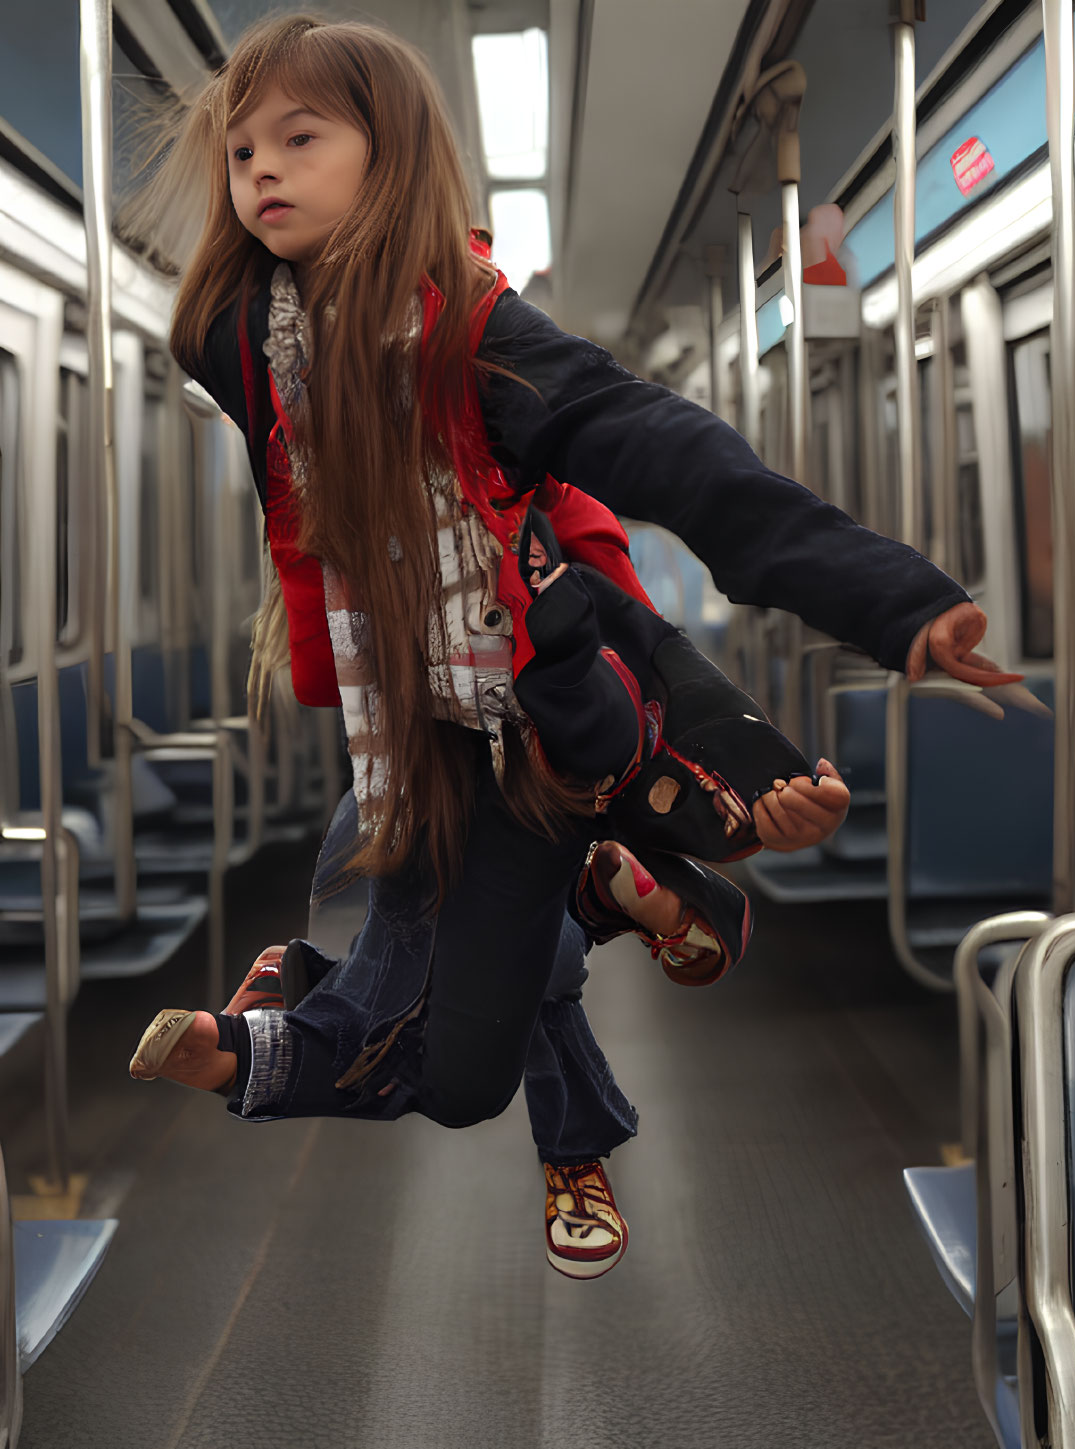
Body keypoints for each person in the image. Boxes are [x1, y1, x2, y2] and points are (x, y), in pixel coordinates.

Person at [124, 14, 1029, 1281]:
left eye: (301, 138)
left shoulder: (481, 337)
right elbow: (210, 301)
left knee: (710, 783)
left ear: (387, 163)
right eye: (241, 151)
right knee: (461, 1086)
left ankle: (619, 856)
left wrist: (894, 602)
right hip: (417, 721)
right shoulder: (246, 339)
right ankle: (596, 893)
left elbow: (666, 446)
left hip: (549, 650)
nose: (259, 169)